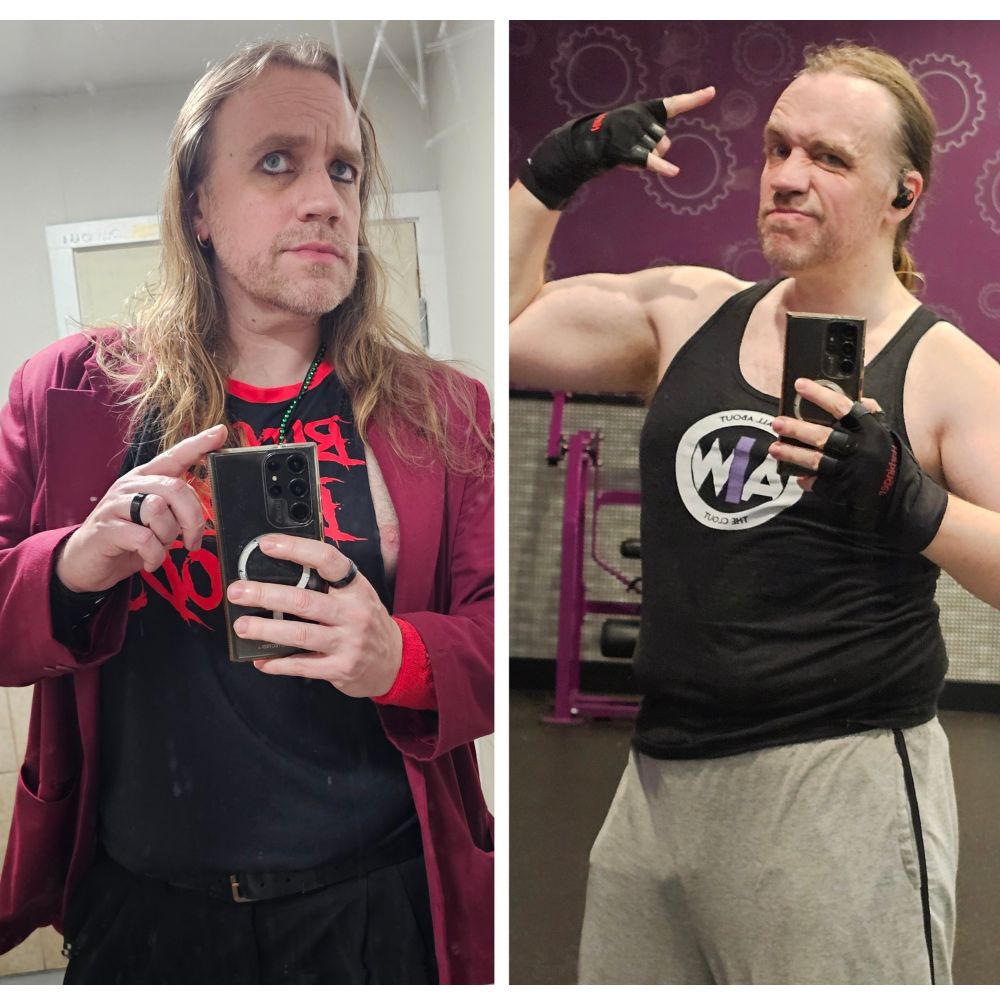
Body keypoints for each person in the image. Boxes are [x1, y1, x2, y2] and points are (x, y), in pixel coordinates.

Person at [0, 39, 493, 985]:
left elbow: (490, 619)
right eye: (278, 162)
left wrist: (402, 656)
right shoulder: (69, 393)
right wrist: (70, 565)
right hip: (142, 912)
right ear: (199, 206)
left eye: (343, 169)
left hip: (381, 909)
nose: (326, 199)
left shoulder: (444, 412)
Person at [510, 41, 1000, 985]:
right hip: (657, 781)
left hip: (837, 785)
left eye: (829, 158)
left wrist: (911, 503)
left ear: (905, 194)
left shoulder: (946, 371)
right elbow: (502, 323)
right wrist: (551, 173)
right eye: (778, 149)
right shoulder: (691, 311)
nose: (787, 176)